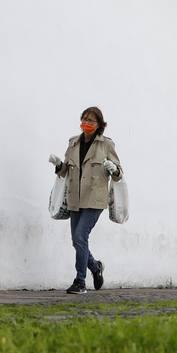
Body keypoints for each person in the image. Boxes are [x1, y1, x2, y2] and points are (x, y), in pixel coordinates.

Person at [51, 107, 123, 294]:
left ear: (99, 124)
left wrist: (113, 168)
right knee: (77, 241)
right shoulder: (73, 143)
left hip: (94, 199)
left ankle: (80, 281)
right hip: (75, 197)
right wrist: (58, 165)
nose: (87, 123)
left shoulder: (106, 145)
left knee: (80, 236)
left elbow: (119, 174)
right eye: (84, 119)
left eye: (91, 120)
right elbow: (65, 171)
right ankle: (95, 267)